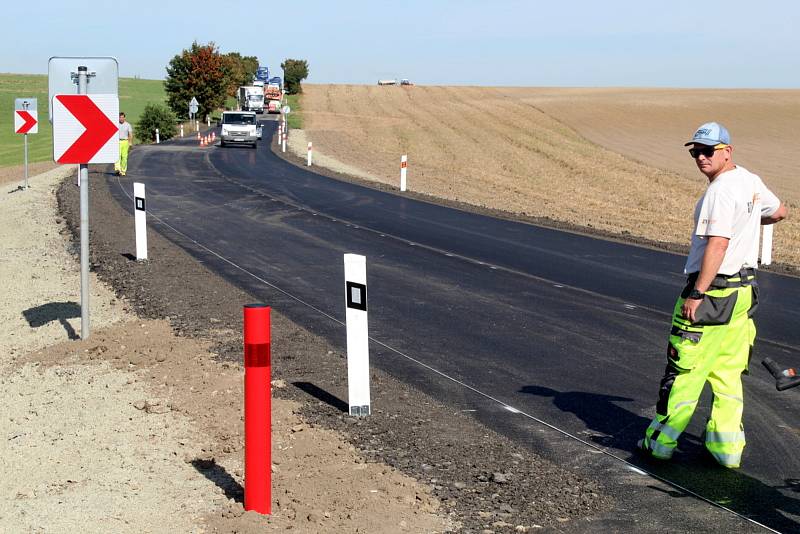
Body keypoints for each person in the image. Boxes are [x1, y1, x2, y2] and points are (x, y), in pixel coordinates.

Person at [638, 122, 787, 468]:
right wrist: (747, 227)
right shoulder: (750, 180)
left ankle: (660, 443)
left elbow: (717, 244)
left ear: (727, 151)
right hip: (744, 294)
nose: (701, 157)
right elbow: (780, 212)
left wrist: (697, 293)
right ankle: (726, 449)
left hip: (712, 294)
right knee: (728, 373)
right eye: (696, 152)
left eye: (708, 151)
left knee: (685, 370)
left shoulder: (720, 192)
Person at [115, 112, 133, 176]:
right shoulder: (116, 124)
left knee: (124, 157)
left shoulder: (128, 125)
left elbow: (130, 134)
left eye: (122, 117)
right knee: (117, 156)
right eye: (120, 117)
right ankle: (117, 169)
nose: (121, 119)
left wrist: (130, 143)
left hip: (125, 141)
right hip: (117, 141)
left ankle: (123, 171)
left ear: (124, 118)